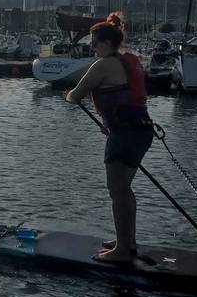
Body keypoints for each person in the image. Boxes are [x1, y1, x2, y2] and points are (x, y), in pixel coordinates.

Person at [65, 15, 153, 263]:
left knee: (118, 190)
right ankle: (128, 242)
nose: (92, 48)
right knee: (124, 189)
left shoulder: (103, 65)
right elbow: (125, 100)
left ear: (105, 43)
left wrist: (69, 95)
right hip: (141, 130)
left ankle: (122, 251)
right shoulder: (129, 61)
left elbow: (77, 94)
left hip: (125, 134)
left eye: (94, 43)